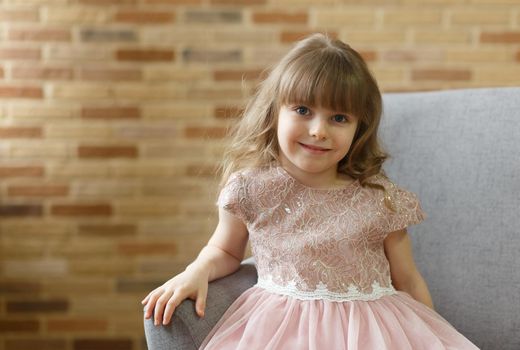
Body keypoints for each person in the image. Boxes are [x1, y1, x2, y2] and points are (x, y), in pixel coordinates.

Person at [142, 33, 479, 349]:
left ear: (359, 127)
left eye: (339, 118)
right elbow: (226, 251)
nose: (318, 131)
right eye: (303, 110)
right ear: (276, 111)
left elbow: (407, 280)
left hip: (370, 333)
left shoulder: (380, 200)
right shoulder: (250, 189)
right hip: (277, 330)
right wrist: (196, 272)